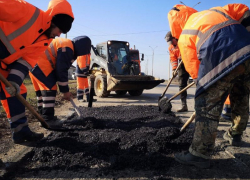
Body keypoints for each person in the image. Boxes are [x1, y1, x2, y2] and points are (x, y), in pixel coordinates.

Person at [167, 4, 250, 168]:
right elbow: (242, 9)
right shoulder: (215, 11)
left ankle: (199, 153)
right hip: (247, 49)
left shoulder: (184, 37)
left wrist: (205, 94)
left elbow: (197, 74)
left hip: (220, 54)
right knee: (240, 95)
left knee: (205, 103)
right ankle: (235, 134)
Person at [0, 0, 74, 144]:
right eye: (59, 30)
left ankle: (21, 132)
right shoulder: (26, 11)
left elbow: (26, 61)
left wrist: (14, 81)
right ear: (53, 20)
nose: (59, 35)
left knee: (18, 91)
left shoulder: (46, 41)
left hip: (5, 67)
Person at [29, 36, 91, 126]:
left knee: (41, 94)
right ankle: (48, 119)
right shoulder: (67, 48)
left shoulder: (66, 43)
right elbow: (61, 70)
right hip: (41, 65)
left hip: (33, 64)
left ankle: (42, 117)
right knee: (49, 90)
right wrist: (65, 91)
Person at [165, 31, 190, 112]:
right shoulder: (171, 47)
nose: (170, 43)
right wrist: (174, 69)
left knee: (199, 82)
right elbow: (173, 59)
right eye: (169, 42)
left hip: (190, 60)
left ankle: (202, 107)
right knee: (182, 85)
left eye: (171, 41)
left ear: (174, 38)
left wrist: (185, 55)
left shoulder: (182, 41)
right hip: (181, 64)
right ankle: (184, 105)